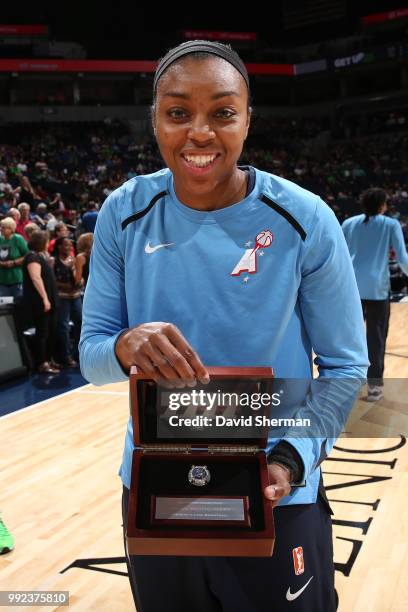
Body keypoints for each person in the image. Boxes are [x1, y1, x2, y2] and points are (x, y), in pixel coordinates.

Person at [80, 40, 368, 612]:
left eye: (223, 112)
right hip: (158, 486)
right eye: (179, 112)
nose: (201, 133)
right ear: (156, 119)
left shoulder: (305, 217)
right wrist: (123, 345)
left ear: (247, 120)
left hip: (274, 486)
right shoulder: (123, 211)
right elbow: (91, 355)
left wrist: (290, 459)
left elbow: (344, 367)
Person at [342, 188, 408, 401]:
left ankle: (345, 384)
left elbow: (340, 256)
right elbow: (402, 258)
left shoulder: (348, 223)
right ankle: (374, 388)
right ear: (382, 205)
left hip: (351, 288)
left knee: (349, 338)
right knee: (376, 338)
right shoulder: (391, 224)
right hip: (377, 289)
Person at [23, 230, 59, 374]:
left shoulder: (40, 256)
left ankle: (49, 359)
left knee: (50, 330)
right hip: (40, 301)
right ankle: (42, 363)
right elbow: (35, 278)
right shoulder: (32, 257)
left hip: (49, 299)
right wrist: (45, 299)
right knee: (43, 332)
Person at [51, 237, 82, 367]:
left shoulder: (74, 260)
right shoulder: (53, 261)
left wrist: (80, 281)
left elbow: (79, 279)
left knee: (80, 324)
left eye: (70, 245)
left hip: (75, 296)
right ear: (59, 247)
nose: (69, 248)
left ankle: (80, 353)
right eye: (66, 245)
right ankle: (66, 356)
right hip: (62, 297)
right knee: (63, 327)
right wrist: (65, 286)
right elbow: (51, 281)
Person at [0, 217, 28, 298]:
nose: (1, 229)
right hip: (2, 280)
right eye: (1, 227)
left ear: (11, 229)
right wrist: (2, 263)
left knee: (18, 306)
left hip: (17, 279)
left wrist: (14, 262)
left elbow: (27, 255)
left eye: (3, 227)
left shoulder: (18, 239)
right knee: (4, 308)